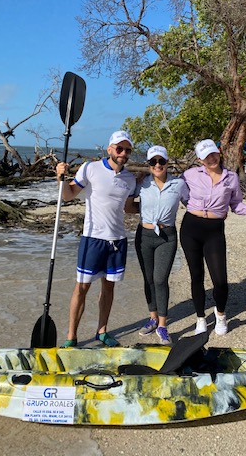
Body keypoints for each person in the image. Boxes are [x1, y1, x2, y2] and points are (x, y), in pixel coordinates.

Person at [56, 130, 137, 348]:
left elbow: (129, 208)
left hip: (118, 240)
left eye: (127, 150)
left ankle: (102, 332)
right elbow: (68, 195)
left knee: (109, 288)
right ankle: (71, 337)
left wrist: (157, 207)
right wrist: (61, 178)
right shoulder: (91, 168)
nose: (123, 153)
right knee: (81, 288)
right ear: (109, 149)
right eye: (119, 148)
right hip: (92, 239)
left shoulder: (129, 179)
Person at [180, 139, 246, 336]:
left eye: (214, 154)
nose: (212, 158)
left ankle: (221, 314)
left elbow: (236, 204)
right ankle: (200, 318)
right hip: (191, 227)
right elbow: (177, 192)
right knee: (196, 276)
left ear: (219, 153)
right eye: (206, 156)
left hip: (214, 230)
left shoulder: (231, 178)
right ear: (200, 159)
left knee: (220, 280)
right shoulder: (189, 175)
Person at [132, 145, 189, 345]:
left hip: (167, 235)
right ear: (148, 165)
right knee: (148, 279)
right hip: (144, 235)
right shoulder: (142, 183)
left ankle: (163, 326)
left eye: (161, 161)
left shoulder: (179, 184)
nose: (157, 165)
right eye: (153, 162)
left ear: (167, 163)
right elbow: (128, 203)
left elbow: (191, 204)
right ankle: (153, 318)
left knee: (160, 279)